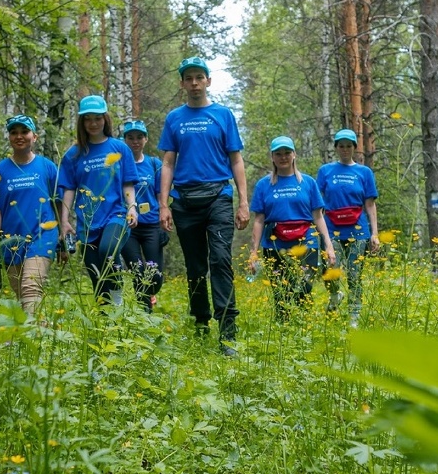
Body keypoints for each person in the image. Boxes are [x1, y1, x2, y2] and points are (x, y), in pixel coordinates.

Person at [158, 56, 249, 356]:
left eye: (200, 77)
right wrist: (163, 204)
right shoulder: (174, 118)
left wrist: (244, 202)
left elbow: (236, 160)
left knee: (220, 261)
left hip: (219, 198)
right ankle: (200, 323)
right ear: (182, 84)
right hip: (184, 202)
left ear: (208, 81)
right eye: (189, 78)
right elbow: (168, 163)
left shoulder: (223, 115)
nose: (194, 83)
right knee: (196, 267)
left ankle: (228, 335)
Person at [58, 95, 139, 308]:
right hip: (87, 221)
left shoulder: (119, 148)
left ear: (105, 119)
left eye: (97, 118)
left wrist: (132, 207)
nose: (93, 123)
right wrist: (64, 221)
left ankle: (118, 300)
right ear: (82, 122)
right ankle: (106, 324)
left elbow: (128, 184)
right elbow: (68, 189)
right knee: (96, 277)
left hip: (116, 215)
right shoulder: (73, 155)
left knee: (108, 250)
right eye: (88, 119)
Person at [248, 136, 337, 321]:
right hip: (274, 243)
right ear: (272, 157)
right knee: (281, 291)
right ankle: (285, 329)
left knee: (304, 287)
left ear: (294, 154)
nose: (283, 157)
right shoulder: (264, 185)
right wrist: (253, 252)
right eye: (278, 154)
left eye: (287, 152)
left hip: (307, 240)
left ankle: (303, 326)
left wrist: (328, 245)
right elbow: (258, 220)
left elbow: (318, 216)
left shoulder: (308, 182)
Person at [0, 114, 61, 316]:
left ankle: (32, 338)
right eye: (14, 132)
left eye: (24, 132)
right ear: (9, 137)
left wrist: (62, 236)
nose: (19, 136)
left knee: (30, 287)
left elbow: (59, 204)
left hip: (42, 237)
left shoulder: (47, 167)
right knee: (21, 296)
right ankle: (34, 336)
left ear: (34, 136)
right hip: (11, 242)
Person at [316, 128, 380, 327]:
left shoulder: (364, 172)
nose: (345, 149)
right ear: (336, 148)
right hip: (332, 228)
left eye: (348, 146)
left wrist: (375, 233)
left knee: (354, 274)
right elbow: (317, 203)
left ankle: (354, 315)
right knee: (330, 270)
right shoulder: (325, 171)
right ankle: (335, 295)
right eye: (341, 146)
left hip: (358, 230)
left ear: (354, 148)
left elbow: (370, 204)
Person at [119, 119, 167, 313]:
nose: (135, 141)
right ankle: (144, 313)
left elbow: (160, 195)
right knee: (139, 271)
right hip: (128, 227)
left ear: (145, 139)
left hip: (151, 226)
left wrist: (164, 218)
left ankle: (150, 294)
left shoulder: (154, 164)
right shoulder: (119, 164)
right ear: (125, 140)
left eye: (139, 137)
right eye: (130, 137)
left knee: (155, 275)